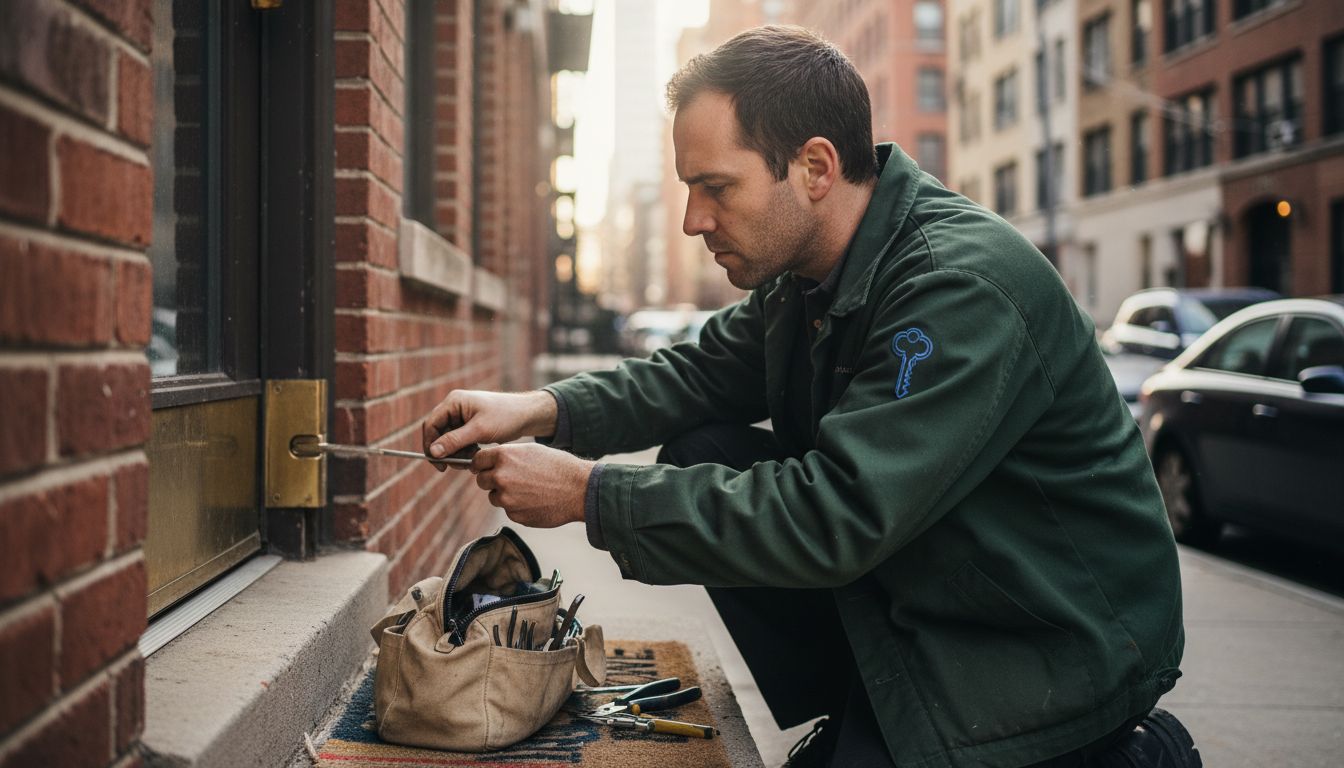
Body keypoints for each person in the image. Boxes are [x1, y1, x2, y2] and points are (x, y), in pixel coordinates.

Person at [420, 26, 1198, 768]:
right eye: (690, 190)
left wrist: (590, 495)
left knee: (768, 499)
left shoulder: (957, 289)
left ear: (815, 169)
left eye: (716, 187)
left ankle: (1117, 753)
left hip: (1042, 645)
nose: (695, 220)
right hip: (934, 589)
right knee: (704, 449)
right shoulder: (807, 276)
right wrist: (538, 409)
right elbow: (691, 375)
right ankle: (860, 705)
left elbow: (840, 513)